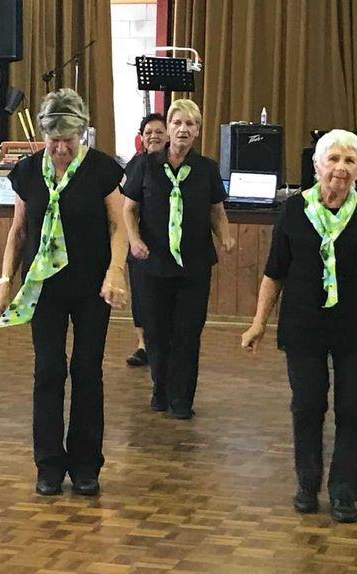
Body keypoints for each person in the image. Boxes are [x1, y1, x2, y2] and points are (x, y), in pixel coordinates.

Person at [241, 129, 357, 523]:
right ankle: (307, 483)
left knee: (352, 410)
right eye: (333, 159)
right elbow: (273, 274)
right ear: (316, 166)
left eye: (349, 161)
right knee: (307, 406)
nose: (340, 168)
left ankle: (344, 492)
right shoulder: (293, 211)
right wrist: (258, 323)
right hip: (304, 325)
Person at [0, 88, 127, 497]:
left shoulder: (102, 170)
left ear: (82, 134)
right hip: (43, 288)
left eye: (70, 139)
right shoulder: (28, 172)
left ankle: (86, 465)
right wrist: (3, 286)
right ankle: (48, 465)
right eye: (54, 140)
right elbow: (18, 232)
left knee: (87, 371)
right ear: (43, 137)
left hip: (91, 288)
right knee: (48, 371)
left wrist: (116, 273)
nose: (62, 148)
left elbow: (119, 227)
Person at [122, 99, 235, 420]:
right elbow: (129, 209)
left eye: (190, 124)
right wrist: (135, 240)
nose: (183, 129)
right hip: (152, 263)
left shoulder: (207, 169)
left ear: (198, 131)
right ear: (168, 129)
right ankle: (160, 389)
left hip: (193, 265)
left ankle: (182, 398)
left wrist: (224, 236)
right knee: (156, 332)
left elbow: (217, 212)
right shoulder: (145, 166)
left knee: (187, 332)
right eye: (178, 123)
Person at [125, 112, 168, 367]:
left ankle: (165, 344)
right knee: (141, 296)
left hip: (166, 242)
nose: (153, 136)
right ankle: (143, 345)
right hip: (138, 241)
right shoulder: (135, 165)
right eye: (148, 132)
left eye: (159, 132)